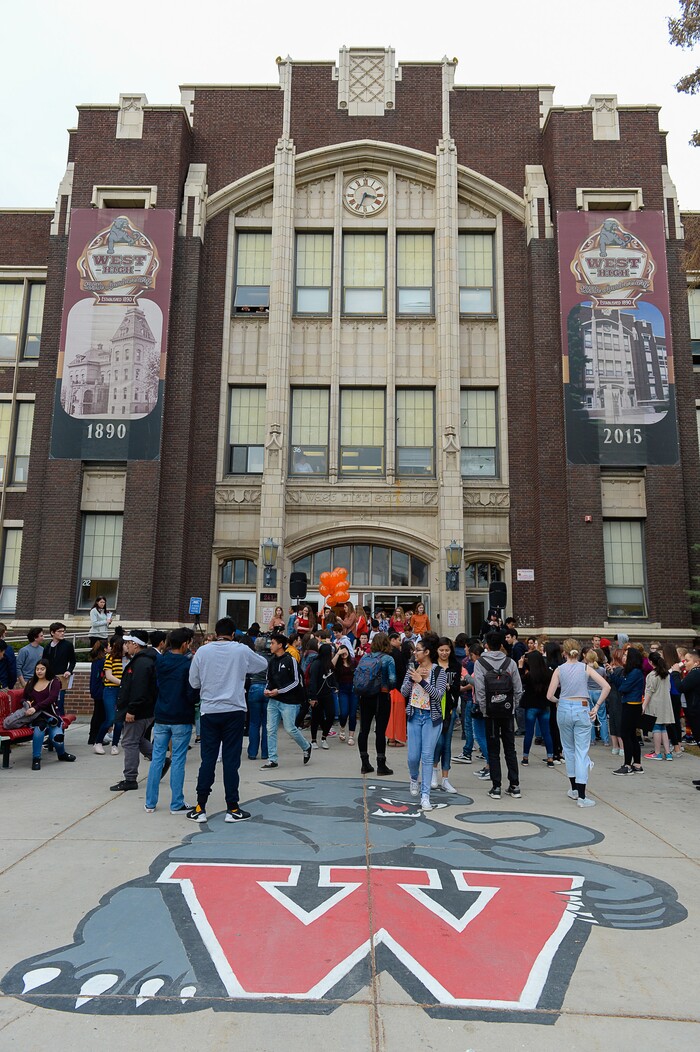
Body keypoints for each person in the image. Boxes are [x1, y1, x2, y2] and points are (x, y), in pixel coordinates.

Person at [187, 617, 268, 822]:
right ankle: (232, 808)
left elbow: (193, 682)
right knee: (231, 761)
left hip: (210, 710)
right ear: (233, 634)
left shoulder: (203, 652)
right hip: (234, 709)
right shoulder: (240, 650)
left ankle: (200, 807)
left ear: (215, 633)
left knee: (208, 759)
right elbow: (262, 664)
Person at [548, 639, 609, 805]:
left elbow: (549, 695)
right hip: (582, 707)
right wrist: (596, 706)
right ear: (579, 652)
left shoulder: (560, 670)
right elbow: (606, 687)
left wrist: (558, 701)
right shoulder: (585, 668)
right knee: (581, 751)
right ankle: (582, 796)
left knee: (568, 750)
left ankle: (574, 789)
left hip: (564, 707)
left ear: (564, 653)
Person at [145, 628, 198, 814]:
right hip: (181, 716)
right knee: (177, 759)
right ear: (185, 643)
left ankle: (150, 802)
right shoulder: (187, 665)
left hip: (161, 714)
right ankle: (176, 803)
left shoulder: (160, 661)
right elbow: (192, 692)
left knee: (157, 758)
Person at [474, 630, 523, 800]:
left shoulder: (480, 663)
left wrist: (484, 708)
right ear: (502, 644)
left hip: (491, 713)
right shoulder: (510, 662)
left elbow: (480, 689)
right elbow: (518, 688)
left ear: (486, 645)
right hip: (507, 711)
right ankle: (514, 785)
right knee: (510, 749)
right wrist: (513, 706)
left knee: (493, 750)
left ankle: (496, 787)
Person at [400, 636, 447, 811]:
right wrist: (414, 679)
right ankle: (414, 778)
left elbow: (438, 695)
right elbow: (403, 691)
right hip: (414, 716)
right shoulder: (411, 669)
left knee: (427, 756)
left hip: (431, 718)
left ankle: (425, 795)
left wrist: (423, 681)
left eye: (418, 650)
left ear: (427, 652)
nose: (415, 653)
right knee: (413, 757)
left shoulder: (438, 672)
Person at [110, 630, 159, 792]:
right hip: (143, 710)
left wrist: (131, 710)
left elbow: (140, 689)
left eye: (128, 643)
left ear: (135, 644)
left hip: (137, 711)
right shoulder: (143, 660)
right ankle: (159, 759)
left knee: (129, 742)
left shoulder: (142, 663)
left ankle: (130, 779)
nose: (126, 646)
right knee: (136, 739)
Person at [261, 634, 312, 770]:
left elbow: (296, 681)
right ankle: (272, 759)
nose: (270, 645)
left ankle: (306, 746)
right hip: (273, 700)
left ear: (280, 645)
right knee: (270, 729)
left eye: (272, 643)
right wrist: (267, 690)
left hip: (289, 701)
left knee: (290, 729)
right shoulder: (271, 661)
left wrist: (280, 691)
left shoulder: (291, 660)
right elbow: (268, 680)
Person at [355, 632, 396, 776]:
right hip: (381, 696)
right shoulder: (388, 659)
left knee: (363, 730)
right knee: (380, 731)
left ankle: (364, 763)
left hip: (365, 696)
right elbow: (392, 680)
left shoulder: (365, 657)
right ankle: (381, 764)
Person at [23, 660, 76, 771]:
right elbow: (24, 697)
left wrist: (35, 707)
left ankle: (61, 754)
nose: (39, 671)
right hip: (37, 716)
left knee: (58, 738)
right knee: (39, 729)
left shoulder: (54, 682)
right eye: (37, 669)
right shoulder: (31, 682)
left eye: (42, 669)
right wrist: (26, 702)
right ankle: (36, 758)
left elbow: (51, 698)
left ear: (47, 669)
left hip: (51, 715)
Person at [430, 637, 461, 794]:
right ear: (436, 650)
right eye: (441, 650)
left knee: (447, 743)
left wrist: (448, 687)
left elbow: (457, 688)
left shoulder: (455, 666)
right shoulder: (432, 666)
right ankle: (433, 773)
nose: (444, 653)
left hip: (449, 708)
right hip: (434, 708)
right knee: (438, 742)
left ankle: (446, 779)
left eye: (447, 650)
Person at [609, 646, 645, 775]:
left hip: (631, 704)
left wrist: (621, 681)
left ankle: (627, 764)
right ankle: (637, 764)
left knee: (626, 734)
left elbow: (623, 687)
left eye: (626, 655)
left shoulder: (635, 672)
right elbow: (621, 684)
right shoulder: (631, 672)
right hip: (631, 704)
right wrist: (613, 674)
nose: (623, 657)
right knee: (631, 735)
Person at [520, 649, 554, 766]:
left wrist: (520, 667)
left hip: (531, 705)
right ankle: (550, 758)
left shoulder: (529, 675)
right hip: (544, 705)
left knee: (529, 732)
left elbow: (519, 681)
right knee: (546, 732)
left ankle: (525, 757)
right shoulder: (548, 673)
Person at [95, 635, 125, 755]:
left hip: (122, 691)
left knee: (119, 720)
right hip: (110, 690)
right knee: (110, 718)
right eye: (125, 644)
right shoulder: (110, 657)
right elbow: (108, 676)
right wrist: (123, 683)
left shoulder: (128, 659)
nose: (127, 646)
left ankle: (115, 744)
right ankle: (98, 742)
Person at [642, 651, 675, 762]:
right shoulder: (666, 674)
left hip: (655, 704)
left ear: (651, 662)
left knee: (656, 728)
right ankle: (668, 753)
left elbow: (649, 692)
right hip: (665, 703)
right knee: (663, 728)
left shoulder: (652, 675)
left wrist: (643, 706)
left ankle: (657, 752)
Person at [42, 622, 76, 716]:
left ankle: (60, 726)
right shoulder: (47, 647)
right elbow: (43, 663)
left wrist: (69, 671)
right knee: (48, 702)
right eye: (59, 631)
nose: (62, 633)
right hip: (48, 679)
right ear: (52, 633)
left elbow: (73, 661)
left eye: (63, 631)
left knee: (59, 703)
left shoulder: (67, 645)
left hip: (61, 678)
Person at [308, 643, 336, 749]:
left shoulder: (329, 665)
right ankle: (314, 739)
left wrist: (335, 686)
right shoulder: (316, 664)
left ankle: (324, 737)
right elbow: (313, 681)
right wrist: (312, 697)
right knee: (316, 717)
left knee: (331, 714)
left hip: (328, 694)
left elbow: (332, 678)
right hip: (317, 695)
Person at [385, 632, 408, 748]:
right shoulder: (397, 654)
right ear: (393, 640)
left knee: (390, 715)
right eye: (399, 640)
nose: (400, 642)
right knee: (398, 715)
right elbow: (402, 672)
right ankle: (397, 738)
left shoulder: (385, 653)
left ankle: (390, 738)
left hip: (387, 688)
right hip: (398, 688)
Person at [332, 642, 358, 745]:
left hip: (353, 689)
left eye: (345, 650)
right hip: (342, 689)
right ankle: (342, 728)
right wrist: (338, 654)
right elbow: (331, 666)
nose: (344, 653)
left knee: (352, 714)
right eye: (341, 651)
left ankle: (351, 736)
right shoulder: (338, 664)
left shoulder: (353, 662)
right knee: (343, 713)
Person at [585, 648, 611, 747]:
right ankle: (606, 740)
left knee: (590, 716)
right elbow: (604, 681)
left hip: (589, 693)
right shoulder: (601, 670)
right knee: (602, 717)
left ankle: (592, 739)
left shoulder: (585, 669)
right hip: (600, 693)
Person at [87, 640, 107, 746]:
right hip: (101, 690)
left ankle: (93, 736)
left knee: (97, 714)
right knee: (100, 715)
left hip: (96, 690)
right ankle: (95, 737)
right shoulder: (103, 661)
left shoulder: (96, 661)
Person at [0, 623, 17, 688]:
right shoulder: (7, 649)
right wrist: (11, 685)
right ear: (3, 633)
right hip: (3, 683)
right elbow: (12, 670)